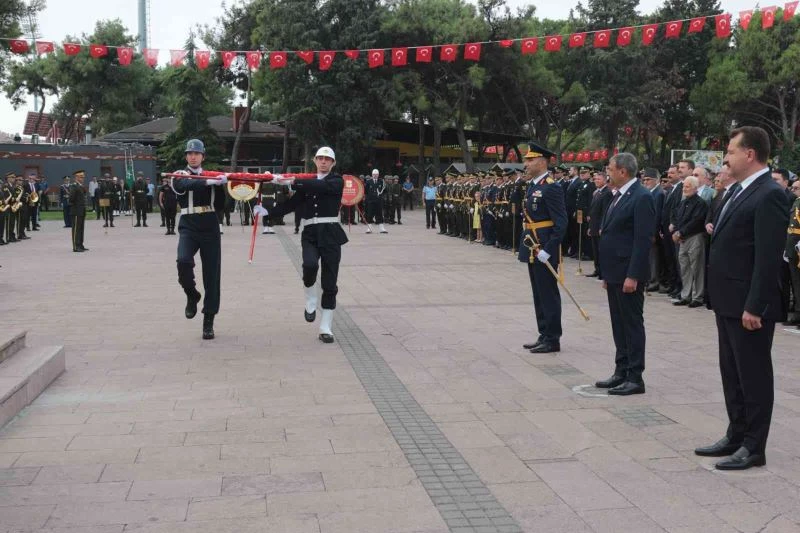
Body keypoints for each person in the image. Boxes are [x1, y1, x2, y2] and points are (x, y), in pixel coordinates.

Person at [695, 126, 789, 470]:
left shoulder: (769, 194)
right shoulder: (735, 191)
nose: (726, 158)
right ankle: (736, 434)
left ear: (750, 154)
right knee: (731, 372)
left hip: (749, 305)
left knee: (753, 375)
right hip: (727, 300)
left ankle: (754, 446)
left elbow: (767, 258)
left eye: (731, 151)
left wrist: (756, 305)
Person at [261, 146, 348, 343]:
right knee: (309, 266)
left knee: (329, 281)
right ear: (315, 161)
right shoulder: (307, 183)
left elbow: (320, 187)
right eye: (320, 158)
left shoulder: (336, 181)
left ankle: (325, 326)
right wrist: (269, 213)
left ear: (333, 163)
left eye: (327, 159)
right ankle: (310, 296)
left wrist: (290, 180)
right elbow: (292, 204)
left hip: (331, 233)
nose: (323, 162)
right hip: (310, 233)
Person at [595, 153, 655, 396]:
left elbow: (643, 241)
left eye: (609, 169)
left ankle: (635, 376)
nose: (607, 173)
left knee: (631, 324)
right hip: (614, 272)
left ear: (622, 171)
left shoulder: (641, 197)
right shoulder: (617, 195)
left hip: (628, 273)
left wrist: (634, 275)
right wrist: (607, 274)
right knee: (618, 324)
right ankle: (621, 370)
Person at [172, 139, 227, 340]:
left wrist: (225, 184)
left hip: (210, 224)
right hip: (189, 223)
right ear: (186, 156)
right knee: (183, 260)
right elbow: (187, 184)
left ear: (203, 156)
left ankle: (209, 320)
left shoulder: (212, 175)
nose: (193, 156)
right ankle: (191, 293)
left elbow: (222, 204)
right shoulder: (179, 175)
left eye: (196, 153)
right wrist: (211, 181)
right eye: (189, 153)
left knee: (212, 274)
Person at [518, 142, 567, 354]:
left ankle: (553, 338)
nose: (526, 163)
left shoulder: (551, 186)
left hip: (544, 246)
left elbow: (562, 222)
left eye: (530, 160)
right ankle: (544, 333)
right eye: (526, 160)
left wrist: (549, 248)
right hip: (532, 245)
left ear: (542, 161)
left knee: (548, 293)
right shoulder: (533, 185)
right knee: (538, 293)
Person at [671, 176, 709, 307]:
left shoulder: (700, 203)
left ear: (695, 188)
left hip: (694, 237)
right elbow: (677, 217)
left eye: (687, 186)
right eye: (683, 186)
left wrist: (680, 232)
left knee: (697, 268)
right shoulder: (683, 202)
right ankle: (685, 295)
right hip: (682, 239)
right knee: (685, 268)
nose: (684, 189)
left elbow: (696, 220)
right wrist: (676, 230)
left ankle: (697, 297)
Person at [640, 168, 664, 291]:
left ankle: (654, 281)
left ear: (656, 180)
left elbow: (657, 215)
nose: (646, 182)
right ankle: (649, 279)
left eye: (648, 179)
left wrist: (653, 233)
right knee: (649, 257)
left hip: (653, 231)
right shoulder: (650, 192)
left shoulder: (659, 193)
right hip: (647, 230)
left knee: (653, 257)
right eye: (644, 180)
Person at [586, 171, 613, 279]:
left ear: (605, 180)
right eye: (595, 179)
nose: (596, 181)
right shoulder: (597, 192)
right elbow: (593, 210)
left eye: (599, 179)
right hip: (594, 225)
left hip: (600, 227)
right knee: (595, 250)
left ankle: (603, 271)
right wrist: (590, 227)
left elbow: (605, 212)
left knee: (601, 250)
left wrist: (602, 227)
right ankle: (597, 269)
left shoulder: (607, 193)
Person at [69, 170, 88, 252]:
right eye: (81, 177)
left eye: (83, 177)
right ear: (76, 177)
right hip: (76, 211)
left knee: (81, 228)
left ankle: (80, 244)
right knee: (76, 229)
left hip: (81, 210)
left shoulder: (81, 186)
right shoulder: (74, 186)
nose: (82, 178)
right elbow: (71, 198)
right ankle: (75, 246)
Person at [364, 169, 388, 234]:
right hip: (371, 201)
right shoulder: (368, 182)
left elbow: (385, 190)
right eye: (374, 174)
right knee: (370, 214)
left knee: (379, 214)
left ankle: (382, 228)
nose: (375, 175)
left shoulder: (381, 181)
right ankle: (369, 228)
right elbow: (366, 191)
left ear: (378, 175)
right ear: (372, 175)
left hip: (378, 201)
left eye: (376, 174)